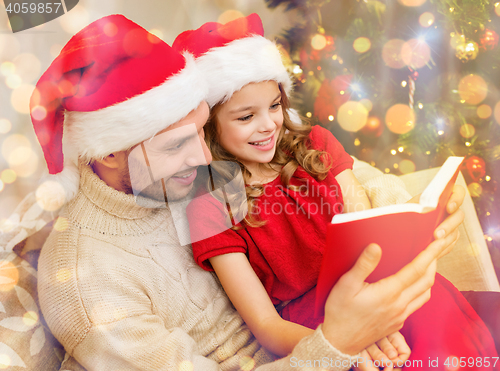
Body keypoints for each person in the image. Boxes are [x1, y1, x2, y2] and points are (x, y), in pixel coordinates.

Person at [34, 14, 464, 371]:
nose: (207, 161)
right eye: (179, 144)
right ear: (109, 151)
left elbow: (326, 175)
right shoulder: (89, 289)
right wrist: (337, 344)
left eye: (202, 132)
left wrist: (399, 199)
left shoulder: (179, 175)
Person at [179, 14, 499, 371]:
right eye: (245, 117)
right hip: (315, 327)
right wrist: (350, 338)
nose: (268, 125)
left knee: (436, 314)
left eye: (274, 106)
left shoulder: (315, 144)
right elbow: (267, 328)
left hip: (378, 289)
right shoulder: (208, 209)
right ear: (209, 127)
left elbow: (366, 229)